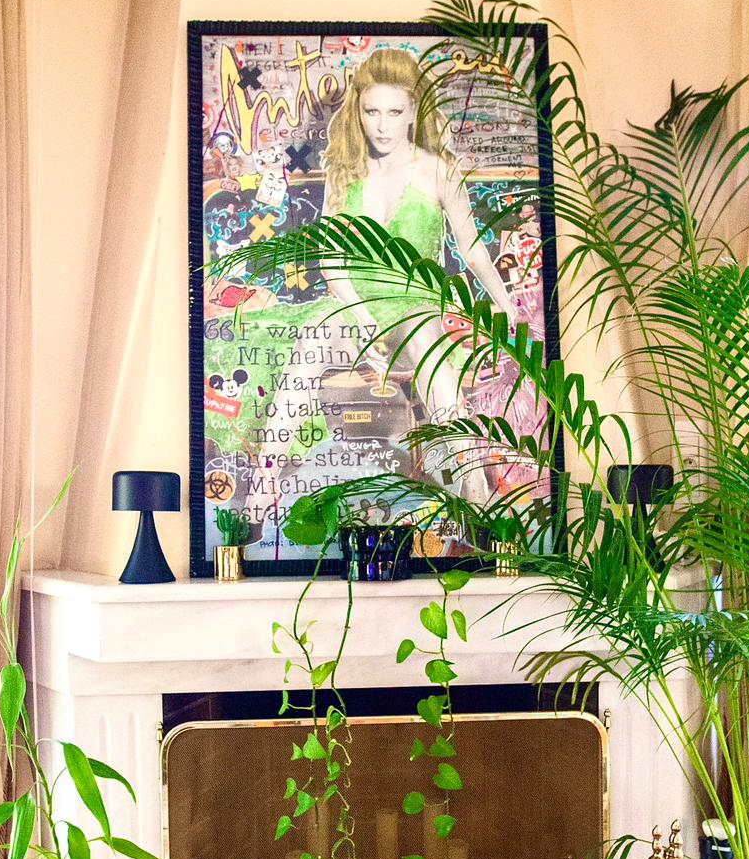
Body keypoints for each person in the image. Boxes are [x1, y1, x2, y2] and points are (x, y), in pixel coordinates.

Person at [203, 46, 521, 529]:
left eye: (394, 112)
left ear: (413, 112)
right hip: (355, 304)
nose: (383, 126)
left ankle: (478, 503)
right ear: (359, 111)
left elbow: (472, 248)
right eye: (372, 111)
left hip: (416, 305)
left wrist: (506, 304)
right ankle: (262, 492)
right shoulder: (345, 169)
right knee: (311, 343)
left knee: (435, 361)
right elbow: (331, 258)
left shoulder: (437, 170)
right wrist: (363, 316)